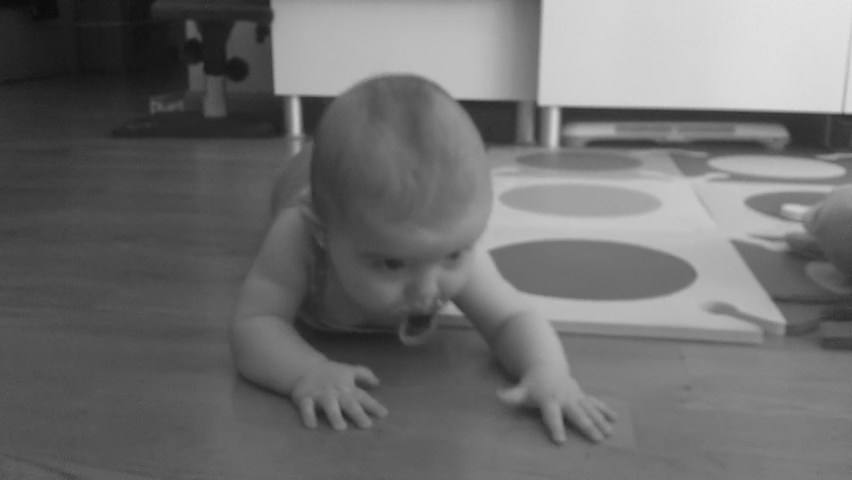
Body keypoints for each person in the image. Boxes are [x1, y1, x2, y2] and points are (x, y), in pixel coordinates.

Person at [229, 74, 616, 444]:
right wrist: (306, 372)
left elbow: (512, 318)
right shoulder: (299, 236)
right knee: (315, 175)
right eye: (392, 264)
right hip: (302, 179)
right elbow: (254, 323)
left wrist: (546, 371)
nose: (428, 290)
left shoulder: (443, 246)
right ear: (323, 236)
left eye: (452, 254)